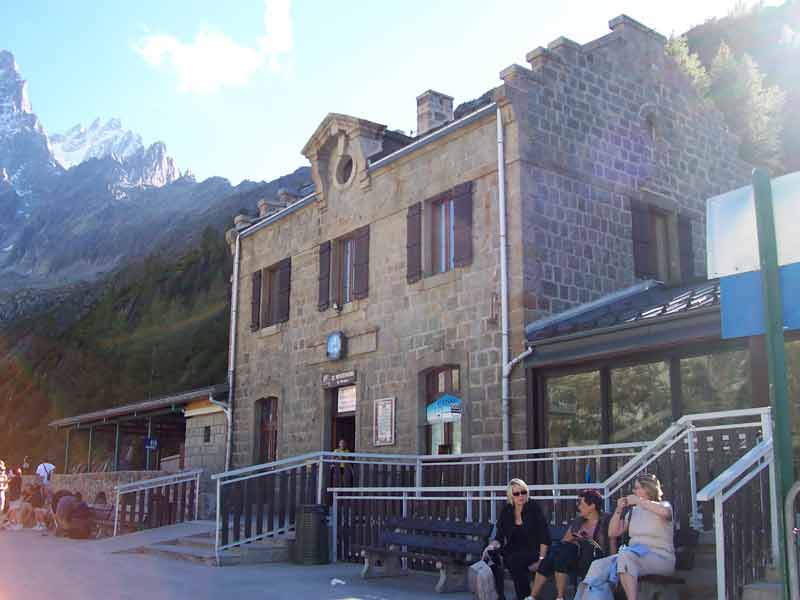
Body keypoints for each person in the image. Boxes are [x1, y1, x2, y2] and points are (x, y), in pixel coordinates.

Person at [576, 474, 675, 600]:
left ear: (648, 489)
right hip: (635, 556)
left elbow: (666, 513)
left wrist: (639, 501)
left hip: (659, 558)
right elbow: (613, 533)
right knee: (598, 565)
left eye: (637, 488)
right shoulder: (634, 511)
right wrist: (619, 509)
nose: (634, 492)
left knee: (626, 556)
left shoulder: (664, 505)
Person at [529, 490, 613, 600]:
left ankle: (549, 596)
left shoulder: (606, 520)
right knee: (557, 556)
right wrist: (574, 537)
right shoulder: (578, 521)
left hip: (593, 557)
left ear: (592, 506)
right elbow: (564, 541)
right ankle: (535, 597)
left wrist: (585, 539)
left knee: (556, 557)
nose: (578, 507)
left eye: (581, 504)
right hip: (573, 557)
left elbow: (606, 544)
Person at [483, 478, 551, 600]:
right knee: (492, 555)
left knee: (514, 560)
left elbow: (544, 536)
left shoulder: (534, 508)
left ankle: (523, 596)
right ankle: (500, 595)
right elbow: (499, 537)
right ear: (511, 495)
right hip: (513, 549)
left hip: (533, 550)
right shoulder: (507, 510)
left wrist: (541, 560)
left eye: (523, 492)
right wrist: (491, 546)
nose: (521, 496)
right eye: (516, 493)